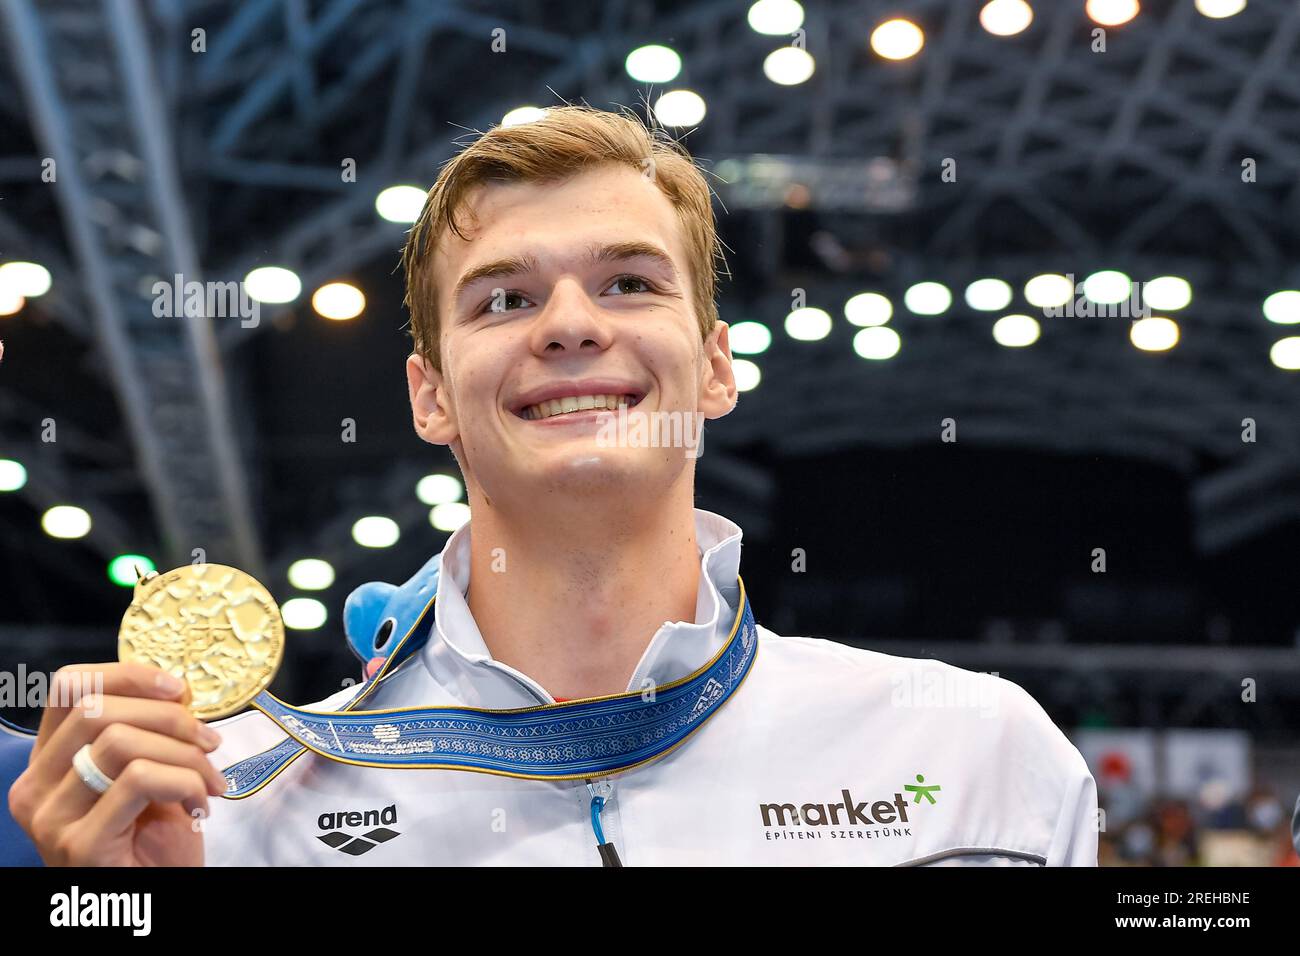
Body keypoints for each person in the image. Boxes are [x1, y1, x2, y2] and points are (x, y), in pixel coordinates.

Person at [6, 106, 1098, 866]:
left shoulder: (973, 757)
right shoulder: (226, 800)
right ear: (429, 397)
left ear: (713, 365)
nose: (571, 323)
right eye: (502, 300)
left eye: (628, 281)